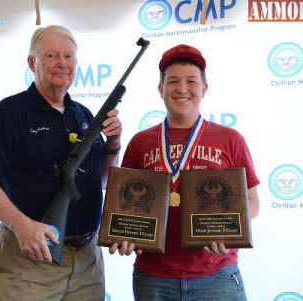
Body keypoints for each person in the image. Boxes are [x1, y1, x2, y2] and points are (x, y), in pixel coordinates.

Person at [0, 25, 122, 301]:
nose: (62, 64)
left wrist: (113, 144)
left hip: (87, 261)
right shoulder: (10, 112)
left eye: (69, 56)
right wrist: (22, 226)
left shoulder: (84, 115)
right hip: (31, 259)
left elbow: (101, 181)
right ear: (32, 62)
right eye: (52, 55)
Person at [110, 44, 260, 301]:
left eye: (191, 81)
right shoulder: (140, 142)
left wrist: (231, 229)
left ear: (204, 88)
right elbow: (123, 206)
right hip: (154, 277)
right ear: (160, 90)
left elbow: (253, 202)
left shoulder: (230, 139)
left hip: (216, 276)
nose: (182, 89)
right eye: (172, 82)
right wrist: (124, 236)